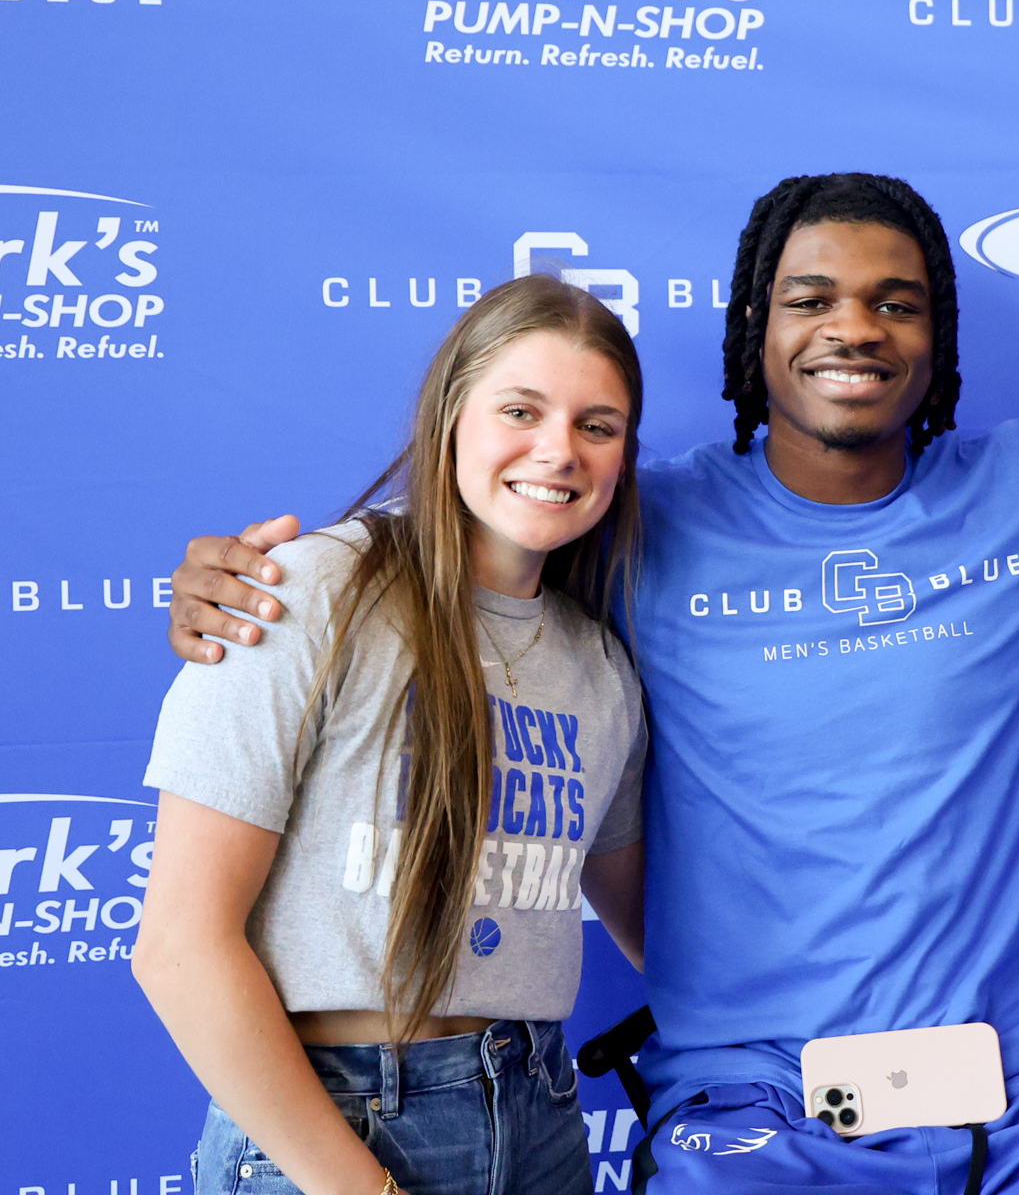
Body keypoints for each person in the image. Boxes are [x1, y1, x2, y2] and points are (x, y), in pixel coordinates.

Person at [162, 174, 1019, 1194]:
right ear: (753, 334)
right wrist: (245, 581)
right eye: (809, 297)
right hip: (757, 1095)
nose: (854, 327)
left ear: (937, 332)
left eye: (895, 302)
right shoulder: (638, 527)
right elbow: (480, 538)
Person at [134, 274, 651, 1195]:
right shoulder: (305, 594)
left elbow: (660, 924)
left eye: (597, 426)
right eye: (521, 410)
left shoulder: (600, 668)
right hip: (333, 1122)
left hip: (538, 1110)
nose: (558, 450)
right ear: (451, 415)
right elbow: (180, 944)